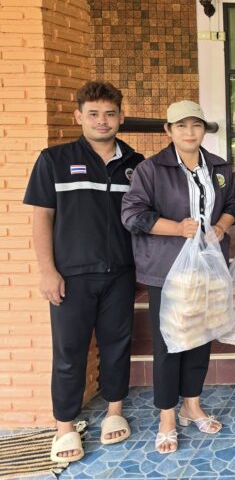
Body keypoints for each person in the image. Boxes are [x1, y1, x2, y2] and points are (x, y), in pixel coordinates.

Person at [24, 81, 144, 464]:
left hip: (120, 272)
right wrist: (47, 271)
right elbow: (42, 218)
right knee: (69, 352)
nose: (102, 121)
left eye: (109, 113)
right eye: (93, 114)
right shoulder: (54, 160)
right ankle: (64, 427)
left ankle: (114, 411)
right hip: (71, 276)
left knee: (117, 345)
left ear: (121, 117)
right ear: (79, 117)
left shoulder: (136, 164)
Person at [121, 101, 235, 454]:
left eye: (196, 125)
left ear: (204, 129)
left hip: (207, 267)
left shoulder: (218, 167)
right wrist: (176, 228)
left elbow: (232, 204)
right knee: (169, 344)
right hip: (168, 270)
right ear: (168, 130)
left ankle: (192, 405)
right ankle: (167, 418)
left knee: (201, 337)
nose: (190, 132)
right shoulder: (151, 169)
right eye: (181, 126)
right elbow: (132, 214)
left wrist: (222, 225)